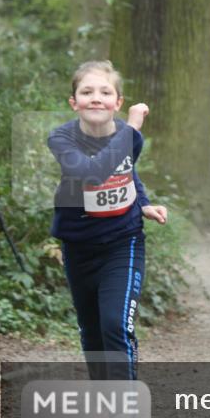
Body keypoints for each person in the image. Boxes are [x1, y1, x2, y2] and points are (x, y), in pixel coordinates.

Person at [48, 60, 168, 380]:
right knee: (92, 330)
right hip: (79, 245)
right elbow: (93, 174)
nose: (96, 98)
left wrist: (142, 202)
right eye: (87, 92)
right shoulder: (62, 139)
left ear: (118, 101)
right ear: (74, 103)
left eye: (105, 91)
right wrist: (131, 129)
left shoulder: (129, 136)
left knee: (116, 324)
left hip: (123, 242)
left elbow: (127, 170)